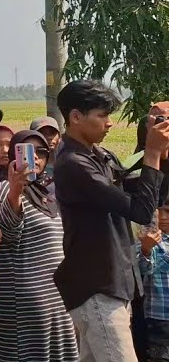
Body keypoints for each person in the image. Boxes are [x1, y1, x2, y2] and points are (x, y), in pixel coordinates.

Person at [53, 80, 166, 362]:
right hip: (97, 288)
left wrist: (157, 153)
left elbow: (142, 192)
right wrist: (151, 152)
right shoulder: (74, 165)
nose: (110, 123)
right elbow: (140, 211)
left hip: (113, 284)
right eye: (102, 115)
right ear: (76, 117)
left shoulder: (99, 156)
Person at [0, 129, 78, 362]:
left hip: (55, 296)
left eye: (41, 152)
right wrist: (16, 191)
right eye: (27, 151)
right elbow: (6, 232)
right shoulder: (7, 189)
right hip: (24, 301)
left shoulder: (49, 191)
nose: (35, 158)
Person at [140, 205, 169, 362]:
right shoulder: (147, 239)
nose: (163, 216)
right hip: (160, 317)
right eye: (158, 212)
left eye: (168, 211)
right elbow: (144, 269)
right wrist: (146, 249)